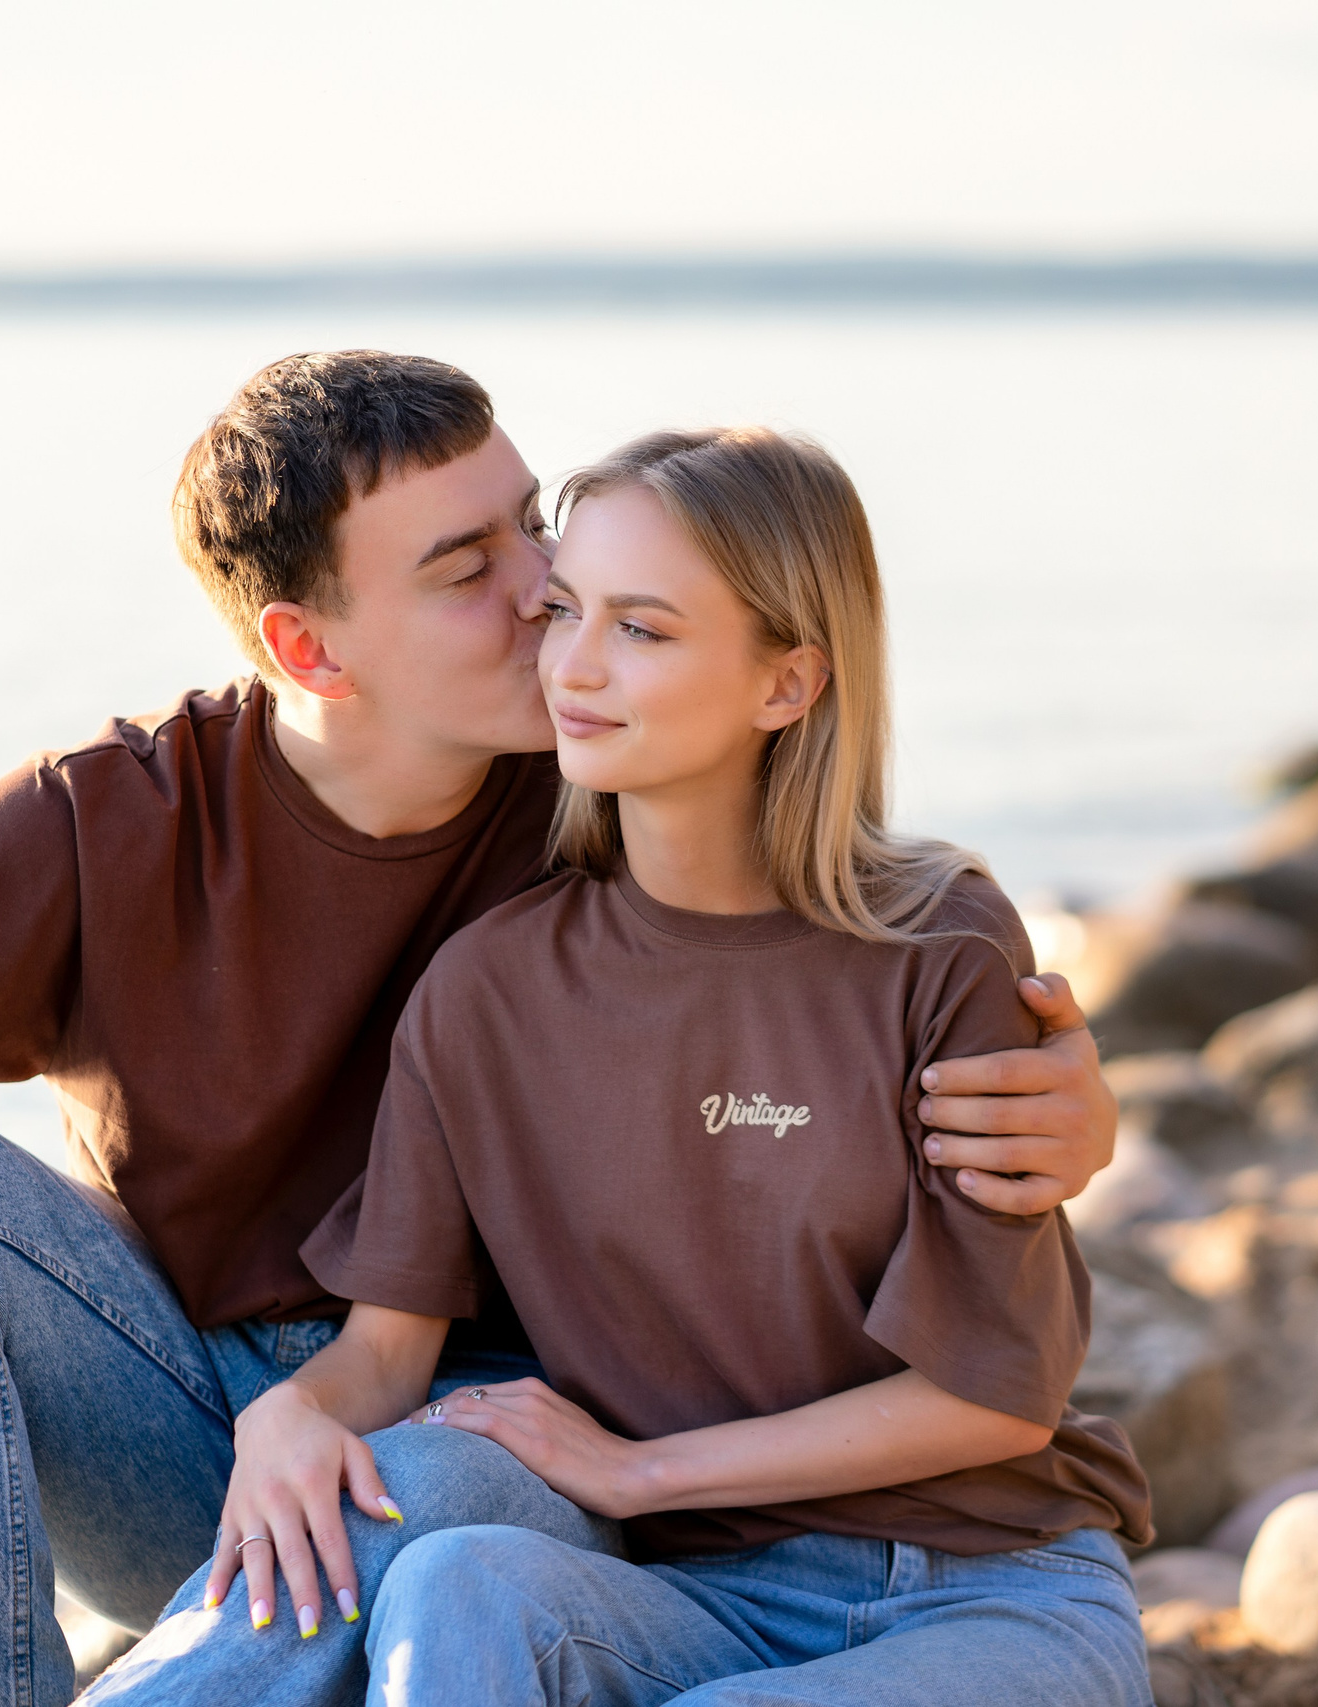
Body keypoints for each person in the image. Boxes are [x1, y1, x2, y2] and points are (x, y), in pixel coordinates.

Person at [0, 354, 1123, 1707]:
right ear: (313, 644)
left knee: (441, 1499)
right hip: (207, 1422)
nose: (548, 594)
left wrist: (1061, 1095)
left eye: (535, 526)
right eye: (471, 566)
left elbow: (824, 921)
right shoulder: (117, 818)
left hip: (502, 1451)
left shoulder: (611, 778)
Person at [98, 427, 1151, 1707]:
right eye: (562, 612)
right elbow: (387, 1357)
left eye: (642, 631)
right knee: (455, 1587)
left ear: (787, 683)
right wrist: (288, 1414)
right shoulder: (488, 989)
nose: (573, 667)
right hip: (692, 1601)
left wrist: (640, 1472)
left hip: (990, 1588)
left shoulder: (937, 942)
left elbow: (992, 1401)